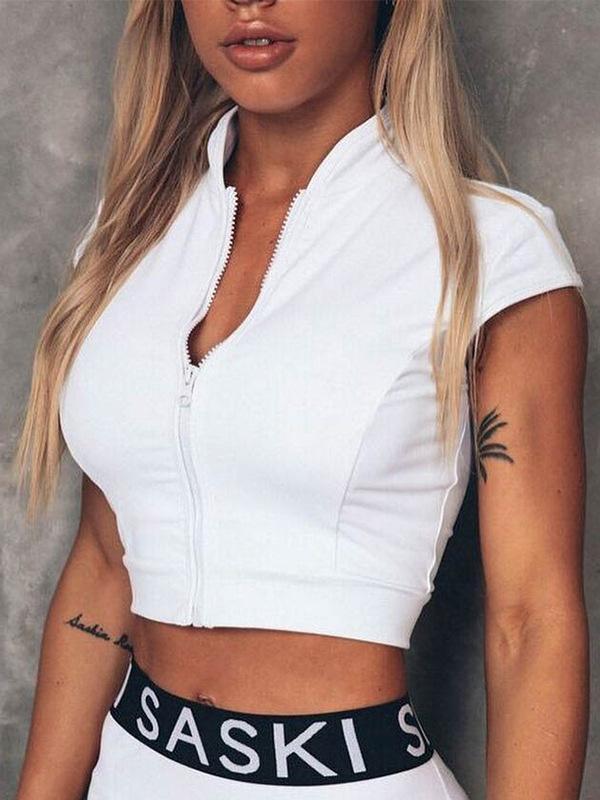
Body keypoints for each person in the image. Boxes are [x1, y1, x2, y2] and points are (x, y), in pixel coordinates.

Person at [13, 1, 589, 798]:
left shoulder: (494, 253)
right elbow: (108, 559)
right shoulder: (129, 232)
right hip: (132, 764)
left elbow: (531, 622)